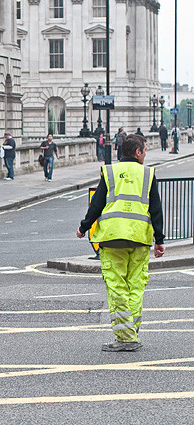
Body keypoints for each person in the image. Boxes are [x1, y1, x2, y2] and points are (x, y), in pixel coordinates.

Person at [77, 134, 165, 352]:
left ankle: (126, 338)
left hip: (112, 237)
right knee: (135, 287)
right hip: (139, 238)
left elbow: (96, 204)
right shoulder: (147, 173)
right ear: (137, 152)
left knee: (116, 287)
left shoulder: (110, 172)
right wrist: (159, 240)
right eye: (144, 150)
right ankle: (131, 333)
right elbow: (156, 209)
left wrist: (84, 227)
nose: (145, 154)